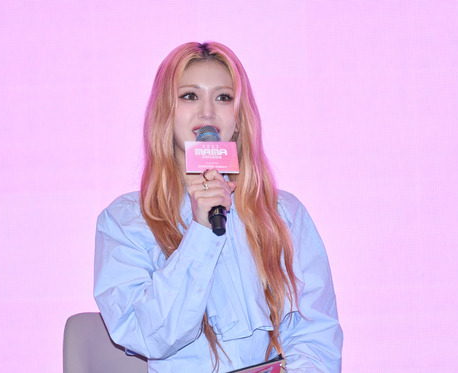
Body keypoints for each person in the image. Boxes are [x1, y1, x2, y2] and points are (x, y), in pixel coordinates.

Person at [93, 41, 343, 372]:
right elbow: (149, 335)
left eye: (223, 97)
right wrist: (199, 232)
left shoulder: (284, 214)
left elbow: (316, 336)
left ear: (238, 120)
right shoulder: (126, 221)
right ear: (165, 113)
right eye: (189, 96)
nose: (207, 112)